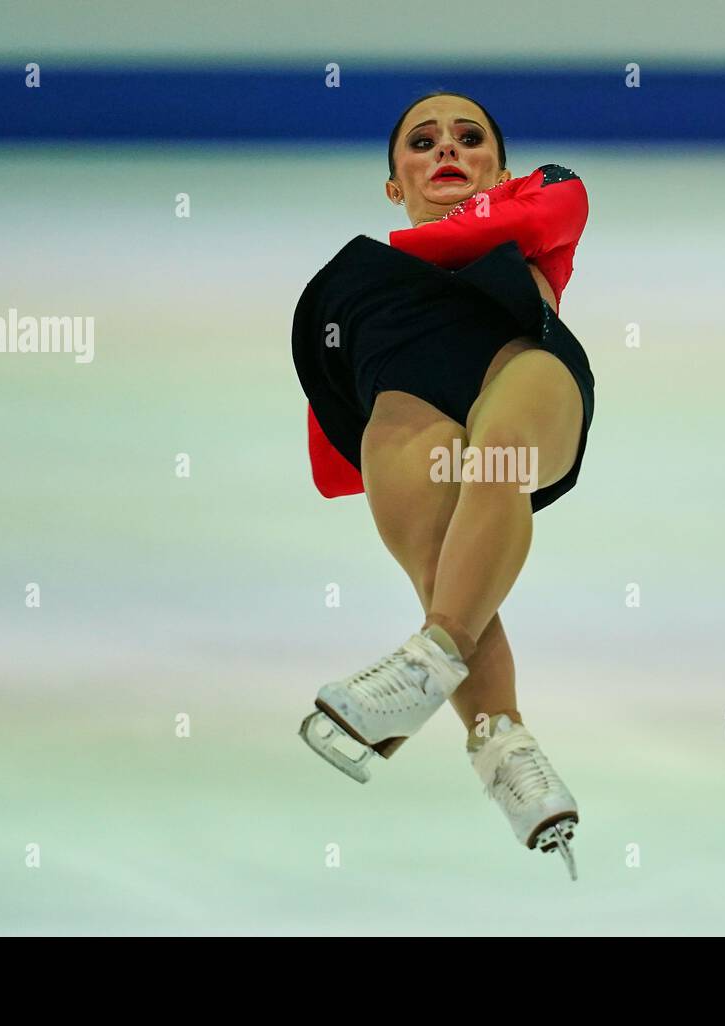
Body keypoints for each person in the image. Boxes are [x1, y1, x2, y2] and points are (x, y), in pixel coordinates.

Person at [291, 90, 594, 879]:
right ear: (395, 182)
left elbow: (544, 211)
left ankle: (430, 664)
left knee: (497, 456)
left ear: (500, 162)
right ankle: (505, 750)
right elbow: (334, 402)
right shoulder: (355, 286)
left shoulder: (543, 195)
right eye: (422, 144)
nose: (447, 151)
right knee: (446, 575)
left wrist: (409, 242)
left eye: (469, 139)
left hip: (521, 368)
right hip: (407, 394)